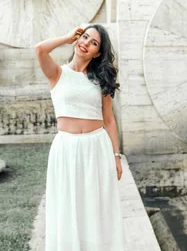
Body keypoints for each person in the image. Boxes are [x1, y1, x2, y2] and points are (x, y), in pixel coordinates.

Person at [35, 24, 126, 251]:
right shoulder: (57, 73)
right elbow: (40, 49)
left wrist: (116, 155)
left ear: (98, 52)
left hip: (97, 147)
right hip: (66, 149)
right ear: (77, 40)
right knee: (69, 204)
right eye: (85, 37)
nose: (86, 43)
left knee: (96, 206)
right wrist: (66, 37)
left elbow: (109, 119)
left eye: (94, 42)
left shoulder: (100, 80)